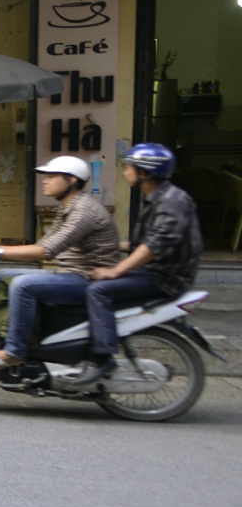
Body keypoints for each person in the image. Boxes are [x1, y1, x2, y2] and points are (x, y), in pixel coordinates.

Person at [65, 142, 203, 386]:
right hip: (155, 271)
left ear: (144, 173)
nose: (124, 171)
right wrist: (103, 243)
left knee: (99, 290)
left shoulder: (173, 201)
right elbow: (140, 243)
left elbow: (154, 246)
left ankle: (103, 357)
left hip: (165, 278)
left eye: (128, 167)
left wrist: (115, 271)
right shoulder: (156, 198)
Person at [0, 156, 120, 369]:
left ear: (72, 180)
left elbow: (45, 251)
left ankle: (15, 351)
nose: (44, 181)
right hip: (69, 273)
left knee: (24, 286)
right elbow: (43, 244)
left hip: (86, 279)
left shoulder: (83, 210)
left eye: (51, 176)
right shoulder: (67, 208)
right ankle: (2, 337)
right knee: (2, 276)